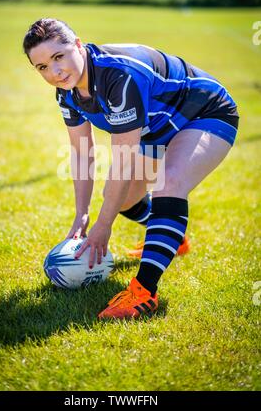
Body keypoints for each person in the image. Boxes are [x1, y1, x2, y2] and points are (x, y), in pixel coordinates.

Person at [23, 18, 239, 320]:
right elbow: (82, 153)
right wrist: (82, 214)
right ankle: (172, 238)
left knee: (169, 184)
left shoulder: (118, 75)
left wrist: (103, 226)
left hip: (204, 112)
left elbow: (122, 161)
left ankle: (144, 291)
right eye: (43, 67)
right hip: (155, 128)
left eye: (58, 57)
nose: (55, 72)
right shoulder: (66, 92)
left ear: (78, 45)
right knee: (125, 199)